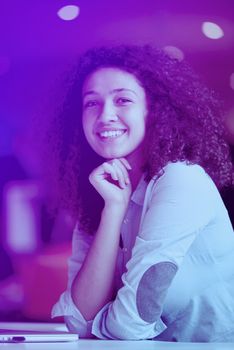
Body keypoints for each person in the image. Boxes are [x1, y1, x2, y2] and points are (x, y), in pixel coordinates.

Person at [49, 45, 234, 341]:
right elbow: (79, 319)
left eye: (122, 100)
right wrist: (113, 209)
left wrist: (101, 317)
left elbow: (129, 324)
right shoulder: (101, 190)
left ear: (153, 111)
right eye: (91, 104)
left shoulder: (181, 179)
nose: (105, 115)